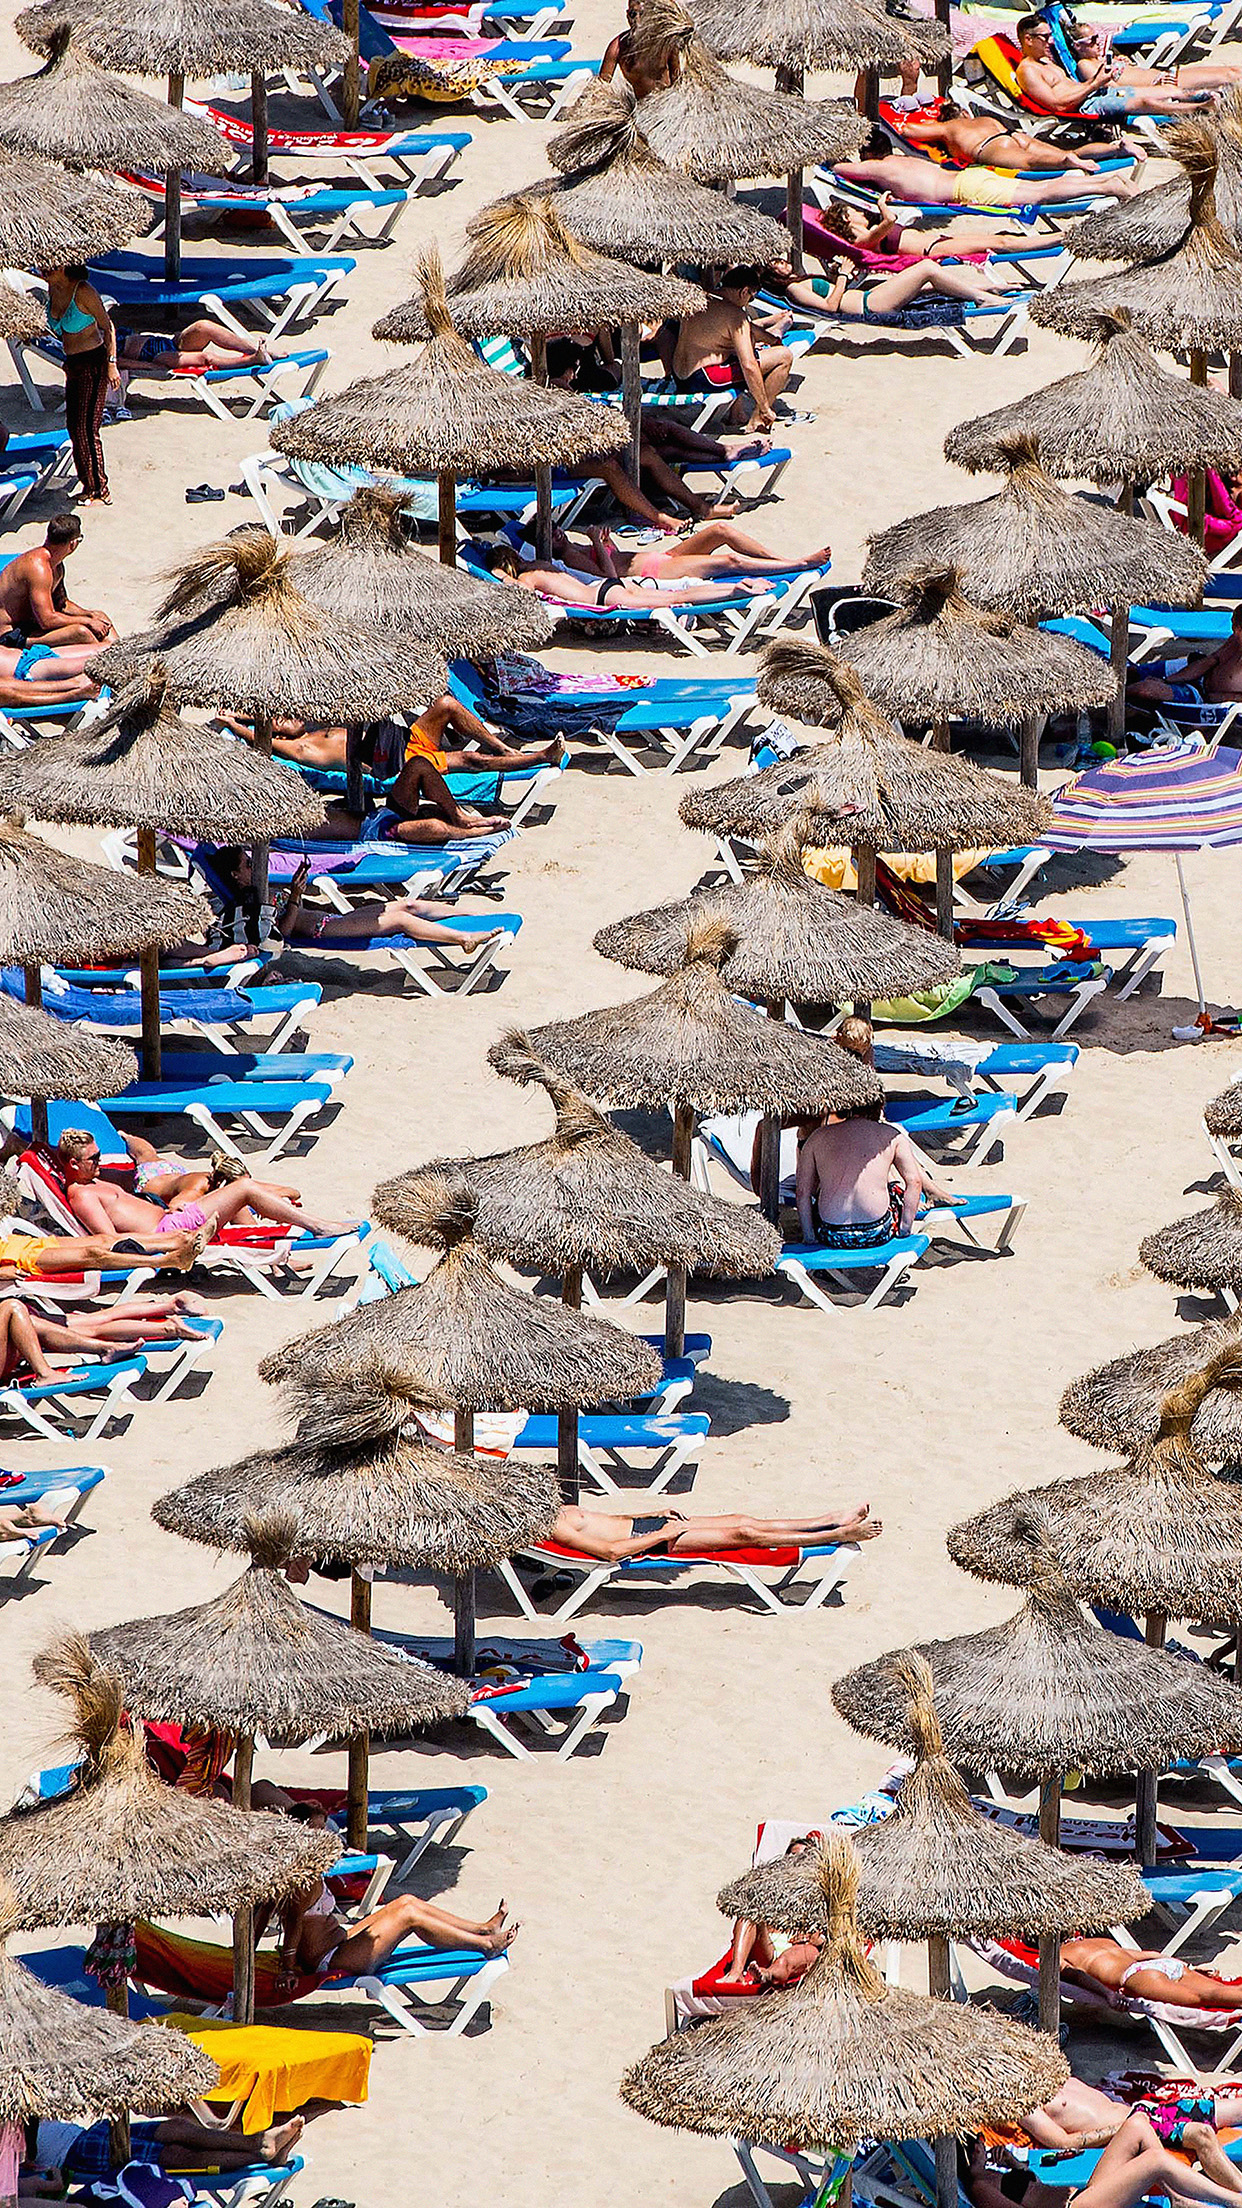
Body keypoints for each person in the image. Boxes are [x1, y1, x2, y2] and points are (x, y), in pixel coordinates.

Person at [52, 1128, 355, 1241]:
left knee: (238, 1193)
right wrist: (171, 1240)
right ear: (74, 1164)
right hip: (169, 1230)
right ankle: (318, 1226)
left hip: (170, 1217)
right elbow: (110, 1240)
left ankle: (275, 1255)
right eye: (93, 1158)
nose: (100, 1161)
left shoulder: (94, 1181)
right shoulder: (82, 1195)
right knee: (243, 1188)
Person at [225, 692, 561, 776]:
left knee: (446, 704)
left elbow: (275, 723)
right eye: (282, 721)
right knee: (468, 758)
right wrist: (234, 726)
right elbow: (263, 740)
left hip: (404, 737)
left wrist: (239, 713)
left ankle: (503, 747)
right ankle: (540, 758)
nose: (290, 718)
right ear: (278, 735)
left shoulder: (314, 723)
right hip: (396, 760)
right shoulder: (302, 750)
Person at [966, 2110, 1242, 2208]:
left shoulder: (989, 2177)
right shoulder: (980, 2186)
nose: (983, 2143)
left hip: (1081, 2197)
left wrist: (1019, 2169)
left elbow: (1032, 2193)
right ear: (967, 2157)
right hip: (1076, 2207)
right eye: (976, 2143)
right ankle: (1235, 2201)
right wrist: (981, 2171)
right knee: (1155, 2160)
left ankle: (1177, 2198)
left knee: (1138, 2125)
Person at [796, 1097, 955, 1249]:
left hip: (831, 1233)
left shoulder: (818, 1137)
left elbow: (802, 1192)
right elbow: (915, 1182)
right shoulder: (891, 1135)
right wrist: (904, 1231)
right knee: (894, 1191)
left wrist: (809, 1237)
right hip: (877, 1231)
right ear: (878, 1107)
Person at [549, 1499, 882, 1561]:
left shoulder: (557, 1509)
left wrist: (652, 1514)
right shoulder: (556, 1528)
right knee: (745, 1535)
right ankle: (835, 1534)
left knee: (743, 1519)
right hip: (645, 1542)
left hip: (644, 1526)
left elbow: (606, 1521)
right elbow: (609, 1551)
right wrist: (663, 1535)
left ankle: (828, 1518)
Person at [476, 539, 755, 612]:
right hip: (607, 586)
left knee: (676, 599)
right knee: (675, 596)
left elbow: (520, 592)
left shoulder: (527, 579)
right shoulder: (540, 564)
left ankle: (734, 591)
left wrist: (499, 574)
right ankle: (733, 590)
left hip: (601, 596)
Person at [1013, 13, 1211, 115]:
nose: (1051, 41)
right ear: (1029, 39)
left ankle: (1206, 97)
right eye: (1045, 37)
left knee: (1169, 91)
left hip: (1097, 93)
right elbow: (1057, 104)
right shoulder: (1028, 71)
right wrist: (1094, 83)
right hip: (1089, 106)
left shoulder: (1046, 61)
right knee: (1145, 102)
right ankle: (1201, 108)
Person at [670, 269, 793, 431]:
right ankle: (758, 418)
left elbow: (746, 329)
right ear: (744, 291)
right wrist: (764, 407)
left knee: (737, 349)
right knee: (784, 356)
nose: (749, 302)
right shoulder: (734, 315)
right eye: (752, 297)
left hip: (680, 375)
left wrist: (772, 339)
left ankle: (737, 414)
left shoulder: (699, 298)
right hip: (705, 378)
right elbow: (749, 365)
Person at [39, 266, 119, 504]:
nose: (44, 271)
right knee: (74, 427)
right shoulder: (52, 289)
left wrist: (112, 363)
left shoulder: (83, 292)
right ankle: (88, 484)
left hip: (93, 362)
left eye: (49, 267)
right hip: (72, 363)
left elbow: (108, 327)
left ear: (64, 266)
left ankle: (100, 489)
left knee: (87, 429)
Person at [550, 517, 831, 583]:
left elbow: (615, 557)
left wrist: (607, 543)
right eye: (549, 533)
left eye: (552, 525)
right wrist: (599, 545)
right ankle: (797, 565)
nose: (556, 531)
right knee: (730, 561)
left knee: (721, 530)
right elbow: (609, 582)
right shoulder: (569, 557)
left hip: (661, 558)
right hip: (655, 573)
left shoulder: (573, 545)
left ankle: (783, 561)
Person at [833, 146, 1135, 206]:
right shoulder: (900, 159)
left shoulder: (880, 168)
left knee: (1040, 193)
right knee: (1043, 185)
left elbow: (841, 170)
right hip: (970, 178)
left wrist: (832, 160)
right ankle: (1107, 182)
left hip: (965, 191)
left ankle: (1109, 187)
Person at [719, 1834, 826, 1988]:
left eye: (805, 1857)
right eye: (793, 1856)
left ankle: (767, 1974)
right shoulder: (770, 1889)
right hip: (767, 1948)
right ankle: (736, 1972)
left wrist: (819, 1939)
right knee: (748, 1912)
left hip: (800, 1949)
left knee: (793, 1957)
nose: (797, 1861)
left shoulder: (822, 1893)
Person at [899, 101, 1118, 171]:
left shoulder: (949, 127)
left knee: (1029, 163)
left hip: (990, 146)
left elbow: (908, 130)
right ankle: (1117, 148)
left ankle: (1065, 162)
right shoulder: (980, 119)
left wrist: (930, 124)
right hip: (1012, 135)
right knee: (1070, 151)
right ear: (965, 112)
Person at [0, 517, 116, 650]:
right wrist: (87, 621)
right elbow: (47, 620)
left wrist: (89, 614)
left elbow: (61, 603)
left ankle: (125, 658)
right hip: (10, 635)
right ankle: (109, 665)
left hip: (31, 625)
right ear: (72, 544)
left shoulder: (56, 565)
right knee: (81, 633)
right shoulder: (38, 569)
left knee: (102, 619)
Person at [1061, 1934, 1242, 2011]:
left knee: (1205, 1998)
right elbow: (1150, 1955)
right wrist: (1190, 1966)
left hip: (1136, 1974)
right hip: (1164, 1964)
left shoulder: (1058, 1955)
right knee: (1224, 1991)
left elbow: (1077, 1976)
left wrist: (1109, 1995)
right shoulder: (1101, 1941)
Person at [1067, 21, 1242, 95]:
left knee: (1231, 72)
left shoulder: (1100, 59)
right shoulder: (1085, 65)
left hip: (1165, 75)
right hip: (1164, 83)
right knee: (1229, 75)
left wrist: (1123, 62)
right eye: (1092, 40)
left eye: (1098, 37)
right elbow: (1115, 91)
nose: (1098, 42)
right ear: (1077, 46)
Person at [1130, 604, 1242, 707]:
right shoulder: (1234, 640)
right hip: (1199, 675)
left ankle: (1115, 699)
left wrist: (1215, 698)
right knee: (1134, 671)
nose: (1232, 631)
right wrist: (1168, 680)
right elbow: (1210, 661)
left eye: (1234, 627)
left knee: (1144, 689)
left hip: (1202, 696)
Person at [600, 0, 680, 98]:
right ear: (627, 15)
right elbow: (601, 85)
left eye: (642, 14)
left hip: (666, 102)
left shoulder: (665, 44)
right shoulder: (617, 47)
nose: (637, 20)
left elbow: (678, 82)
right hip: (639, 107)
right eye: (633, 14)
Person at [0, 637, 99, 708]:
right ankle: (73, 687)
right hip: (29, 669)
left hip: (31, 653)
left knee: (106, 649)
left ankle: (75, 685)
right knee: (100, 661)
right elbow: (10, 695)